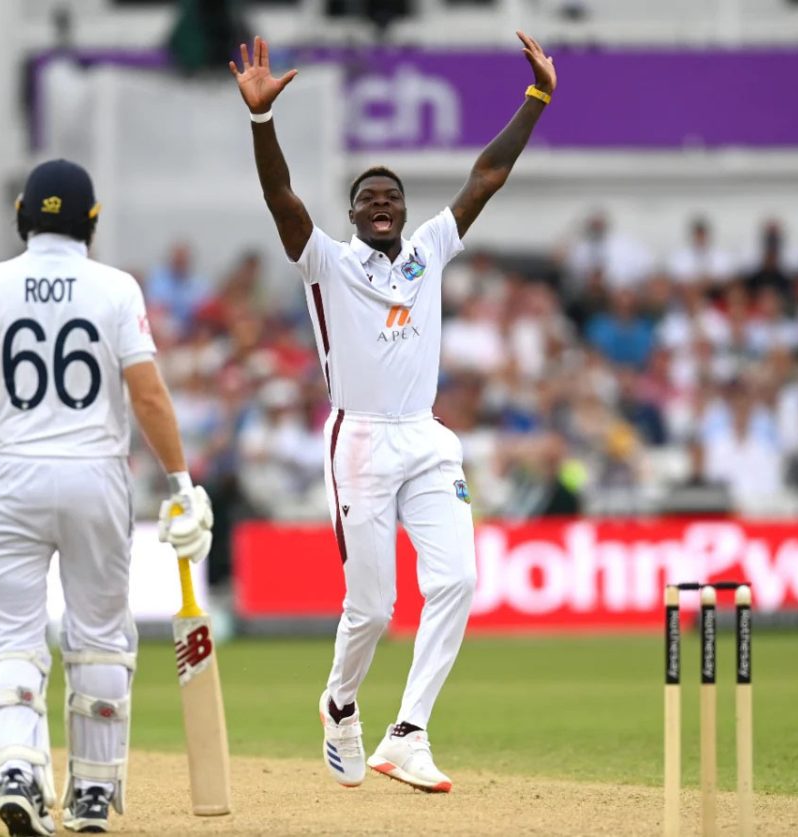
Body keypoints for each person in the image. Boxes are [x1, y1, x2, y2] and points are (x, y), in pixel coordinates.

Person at [230, 33, 556, 792]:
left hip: (427, 436)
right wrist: (261, 123)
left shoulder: (429, 251)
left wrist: (536, 98)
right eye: (368, 199)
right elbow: (281, 198)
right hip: (362, 439)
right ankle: (340, 701)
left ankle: (407, 731)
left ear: (405, 211)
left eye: (392, 198)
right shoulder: (326, 260)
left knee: (457, 582)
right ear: (351, 215)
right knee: (372, 609)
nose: (382, 205)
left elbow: (488, 175)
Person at [0, 159, 213, 835]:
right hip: (95, 474)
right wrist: (182, 484)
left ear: (22, 215)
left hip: (11, 478)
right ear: (90, 222)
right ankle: (93, 793)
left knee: (9, 634)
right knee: (100, 635)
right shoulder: (115, 287)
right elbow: (148, 393)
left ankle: (18, 767)